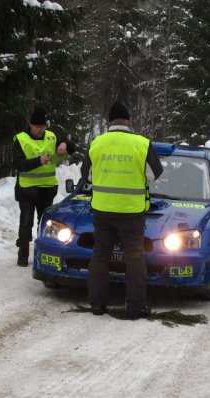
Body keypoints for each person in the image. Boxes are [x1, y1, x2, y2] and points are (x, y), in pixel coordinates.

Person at [80, 101, 163, 319]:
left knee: (100, 255)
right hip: (131, 212)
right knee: (135, 257)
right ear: (129, 121)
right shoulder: (141, 143)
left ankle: (97, 304)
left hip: (103, 210)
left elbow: (87, 175)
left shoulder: (97, 143)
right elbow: (154, 174)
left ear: (108, 122)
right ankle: (136, 307)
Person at [13, 106, 76, 267]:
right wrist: (38, 161)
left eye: (43, 127)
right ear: (30, 125)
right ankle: (23, 256)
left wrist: (64, 144)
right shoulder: (20, 139)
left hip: (47, 189)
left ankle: (44, 255)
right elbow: (18, 164)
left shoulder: (51, 137)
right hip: (27, 189)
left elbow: (71, 147)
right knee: (26, 222)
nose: (40, 130)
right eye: (37, 127)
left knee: (46, 224)